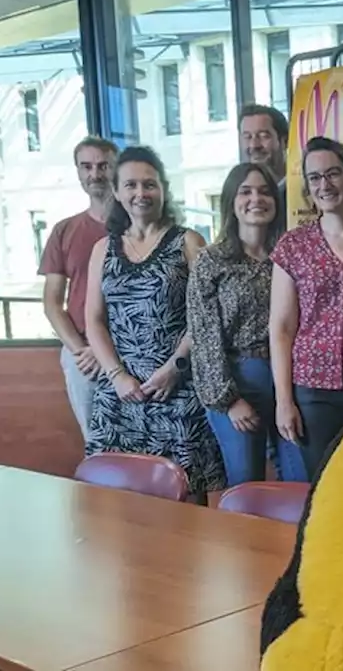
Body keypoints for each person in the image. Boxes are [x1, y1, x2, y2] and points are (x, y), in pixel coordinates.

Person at [84, 146, 224, 501]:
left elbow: (206, 317)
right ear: (116, 192)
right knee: (116, 503)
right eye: (130, 185)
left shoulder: (189, 243)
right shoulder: (103, 249)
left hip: (174, 391)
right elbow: (94, 321)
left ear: (163, 189)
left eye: (149, 184)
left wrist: (174, 367)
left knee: (187, 503)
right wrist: (117, 376)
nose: (140, 193)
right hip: (119, 396)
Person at [270, 137, 343, 480]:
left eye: (333, 174)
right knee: (323, 488)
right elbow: (281, 328)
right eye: (315, 178)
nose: (325, 184)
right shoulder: (293, 246)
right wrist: (284, 400)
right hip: (312, 391)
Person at [186, 162, 307, 486]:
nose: (257, 199)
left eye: (265, 192)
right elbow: (204, 338)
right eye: (246, 191)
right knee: (246, 486)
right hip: (239, 381)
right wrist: (229, 401)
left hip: (290, 380)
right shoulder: (211, 261)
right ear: (231, 201)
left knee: (299, 482)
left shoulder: (290, 256)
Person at [39, 136, 118, 440]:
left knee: (143, 446)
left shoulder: (135, 226)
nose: (94, 174)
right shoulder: (64, 231)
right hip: (82, 354)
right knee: (96, 443)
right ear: (77, 171)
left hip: (132, 349)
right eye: (86, 166)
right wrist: (81, 349)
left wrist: (105, 350)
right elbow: (52, 303)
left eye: (103, 166)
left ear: (116, 169)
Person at [239, 104, 290, 198]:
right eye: (247, 137)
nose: (254, 145)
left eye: (263, 136)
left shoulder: (306, 188)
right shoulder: (237, 193)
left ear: (285, 141)